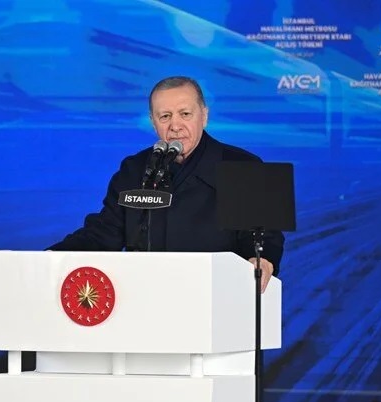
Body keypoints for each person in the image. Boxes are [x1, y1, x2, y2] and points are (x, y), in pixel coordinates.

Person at [47, 76, 284, 289]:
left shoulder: (242, 165)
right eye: (165, 116)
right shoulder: (134, 169)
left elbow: (263, 237)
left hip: (217, 296)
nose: (175, 126)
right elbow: (103, 234)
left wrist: (262, 260)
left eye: (185, 114)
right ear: (153, 122)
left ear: (204, 116)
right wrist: (49, 258)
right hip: (145, 298)